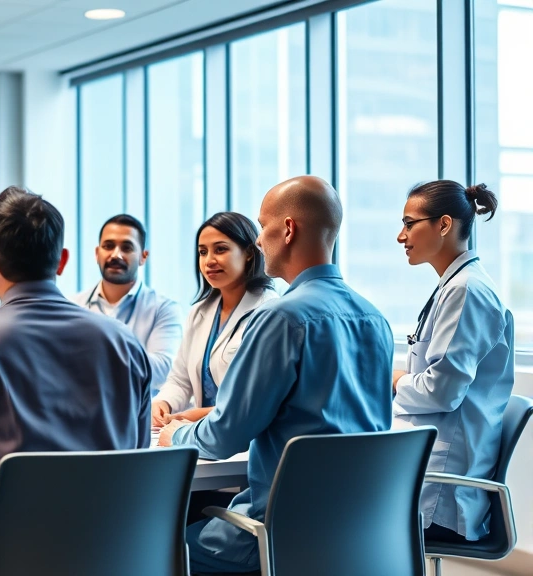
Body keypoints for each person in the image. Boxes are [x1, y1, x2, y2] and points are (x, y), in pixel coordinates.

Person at [0, 186, 152, 576]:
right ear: (63, 261)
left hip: (2, 565)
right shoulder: (126, 345)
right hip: (113, 562)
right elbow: (136, 462)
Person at [159, 176, 393, 574]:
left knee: (151, 544)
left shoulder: (280, 318)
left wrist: (175, 434)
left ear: (287, 230)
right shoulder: (375, 318)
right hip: (355, 529)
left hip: (275, 531)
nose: (259, 241)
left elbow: (223, 435)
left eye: (263, 226)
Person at [392, 180, 514, 543]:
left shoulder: (466, 291)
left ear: (443, 225)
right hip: (424, 464)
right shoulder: (455, 285)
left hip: (441, 489)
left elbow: (440, 393)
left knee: (322, 511)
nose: (401, 236)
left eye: (409, 223)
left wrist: (396, 379)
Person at [152, 212, 277, 426]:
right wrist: (163, 402)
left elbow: (254, 399)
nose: (209, 261)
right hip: (201, 432)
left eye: (221, 249)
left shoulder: (269, 311)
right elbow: (180, 380)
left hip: (244, 435)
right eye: (203, 252)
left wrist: (192, 415)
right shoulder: (200, 312)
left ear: (248, 252)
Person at [70, 214, 183, 392]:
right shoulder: (73, 305)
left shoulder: (164, 309)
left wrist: (92, 356)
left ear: (143, 257)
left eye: (127, 247)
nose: (116, 255)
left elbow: (163, 370)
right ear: (97, 253)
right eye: (108, 246)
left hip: (139, 418)